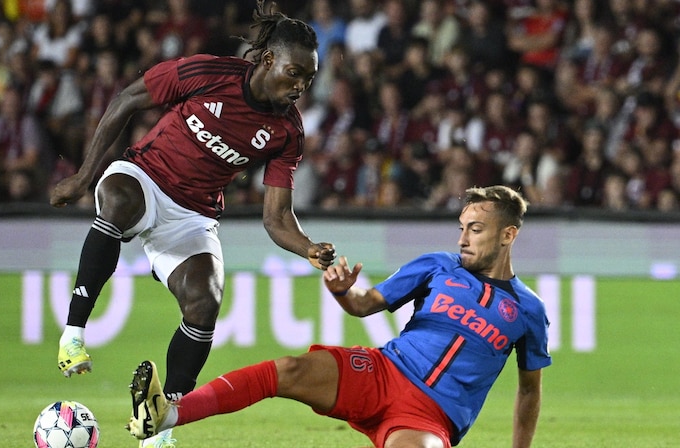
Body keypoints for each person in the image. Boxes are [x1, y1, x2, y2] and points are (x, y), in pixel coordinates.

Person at [50, 1, 336, 443]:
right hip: (145, 176)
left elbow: (276, 217)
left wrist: (309, 248)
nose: (301, 86)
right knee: (118, 200)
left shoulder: (287, 133)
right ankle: (73, 335)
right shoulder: (209, 73)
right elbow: (127, 99)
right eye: (294, 73)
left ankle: (163, 423)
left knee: (206, 300)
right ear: (267, 60)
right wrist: (84, 178)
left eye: (309, 79)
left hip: (192, 214)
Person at [128, 185, 551, 448]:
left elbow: (529, 391)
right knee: (289, 369)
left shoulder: (529, 311)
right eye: (462, 226)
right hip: (382, 372)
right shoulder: (438, 266)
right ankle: (168, 415)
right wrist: (343, 291)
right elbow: (366, 305)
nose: (462, 238)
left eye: (475, 229)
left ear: (508, 234)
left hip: (429, 416)